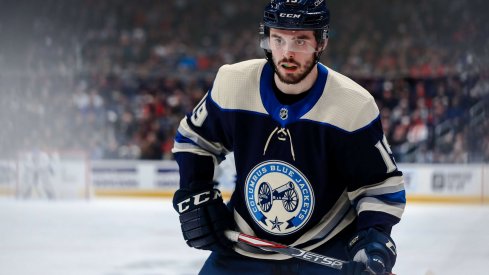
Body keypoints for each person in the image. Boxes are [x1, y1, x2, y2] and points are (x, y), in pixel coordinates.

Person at [172, 1, 405, 274]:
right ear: (266, 38)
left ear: (321, 43)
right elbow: (194, 140)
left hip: (325, 247)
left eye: (301, 41)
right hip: (243, 247)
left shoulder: (353, 105)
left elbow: (377, 185)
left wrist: (372, 243)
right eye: (278, 39)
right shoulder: (232, 83)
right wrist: (196, 192)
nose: (287, 53)